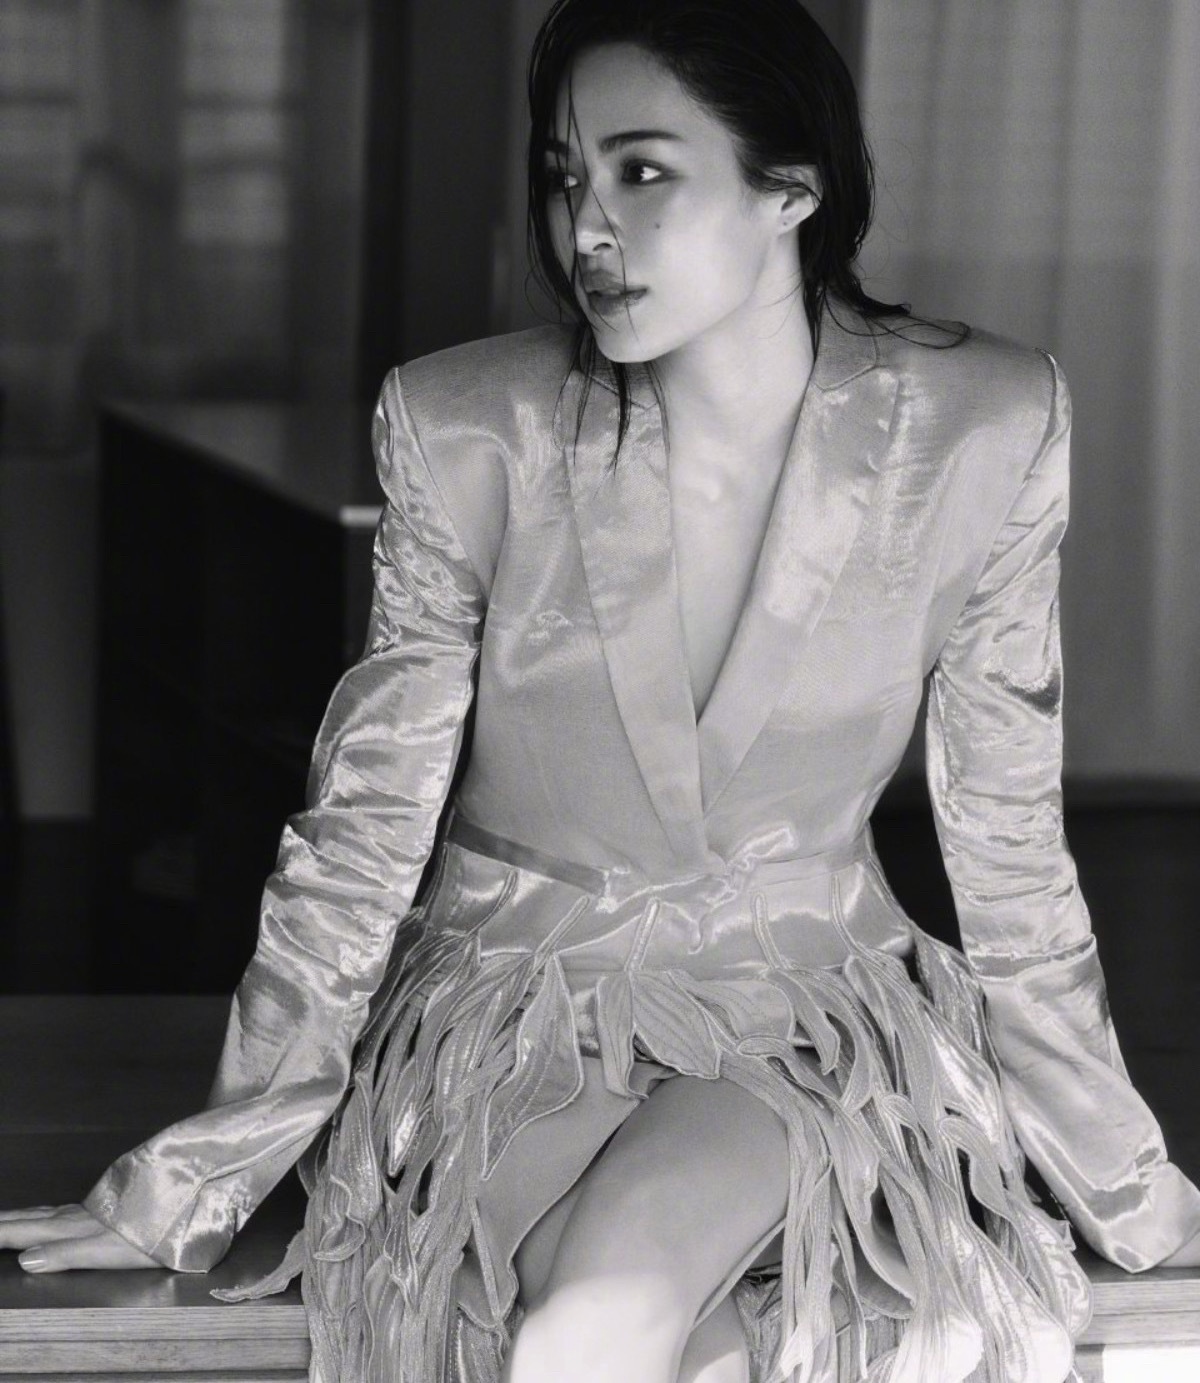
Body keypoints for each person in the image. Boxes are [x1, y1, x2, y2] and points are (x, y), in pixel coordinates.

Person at [3, 2, 1199, 1380]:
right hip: (506, 1021)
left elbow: (1009, 846)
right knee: (632, 1330)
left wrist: (1125, 1179)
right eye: (568, 176)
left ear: (791, 186)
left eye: (643, 171)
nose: (586, 228)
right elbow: (361, 835)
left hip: (805, 1017)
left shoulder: (987, 425)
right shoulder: (463, 426)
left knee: (593, 1317)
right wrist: (194, 1180)